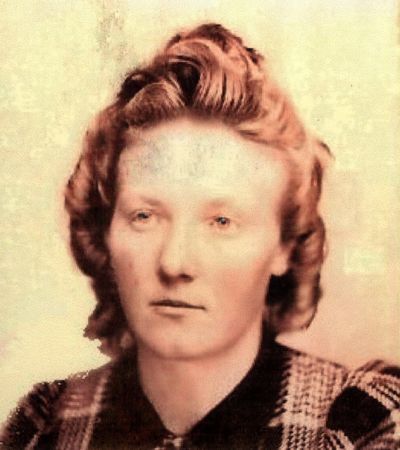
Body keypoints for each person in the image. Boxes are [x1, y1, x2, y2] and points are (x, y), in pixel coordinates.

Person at [1, 23, 399, 450]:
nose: (175, 263)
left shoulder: (360, 425)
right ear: (105, 231)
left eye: (221, 221)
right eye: (144, 216)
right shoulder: (45, 428)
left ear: (284, 244)